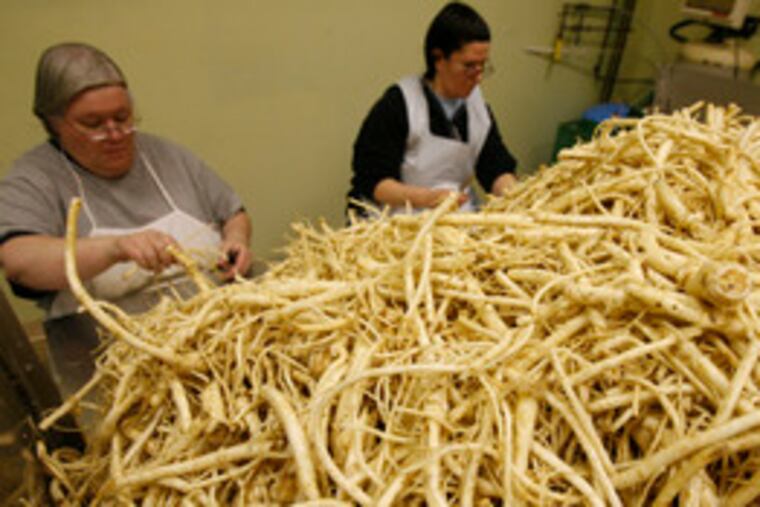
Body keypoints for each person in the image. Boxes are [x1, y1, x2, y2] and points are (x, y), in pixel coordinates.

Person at [0, 42, 253, 400]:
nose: (116, 134)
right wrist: (114, 249)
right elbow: (19, 261)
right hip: (115, 361)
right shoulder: (33, 179)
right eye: (94, 124)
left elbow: (233, 212)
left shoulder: (165, 155)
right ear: (53, 124)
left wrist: (236, 240)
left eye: (123, 118)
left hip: (219, 337)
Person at [347, 1, 518, 216]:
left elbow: (496, 168)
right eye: (469, 66)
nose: (479, 77)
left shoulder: (478, 111)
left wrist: (515, 197)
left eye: (482, 66)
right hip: (395, 220)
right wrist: (428, 199)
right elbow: (375, 181)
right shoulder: (400, 103)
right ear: (438, 58)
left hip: (447, 218)